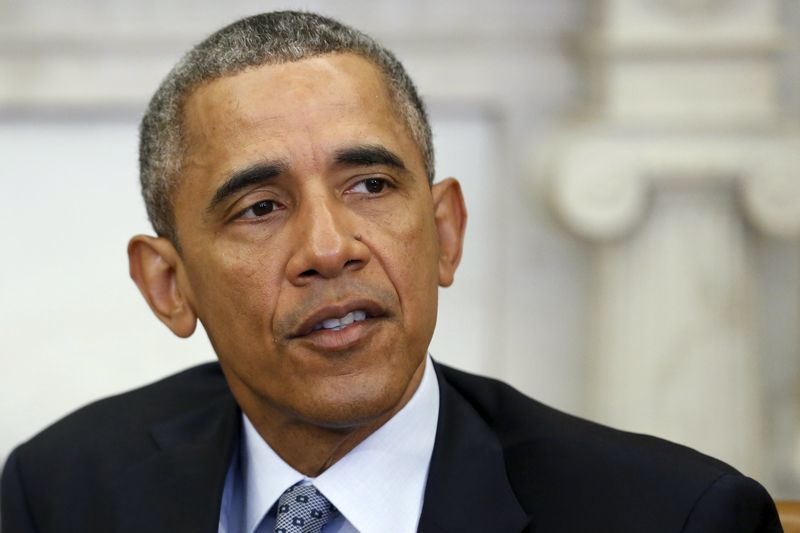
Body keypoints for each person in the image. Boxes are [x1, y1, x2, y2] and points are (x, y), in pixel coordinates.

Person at [0, 11, 784, 533]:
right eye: (261, 207)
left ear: (444, 232)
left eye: (370, 186)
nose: (330, 247)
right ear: (169, 286)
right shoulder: (63, 493)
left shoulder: (672, 519)